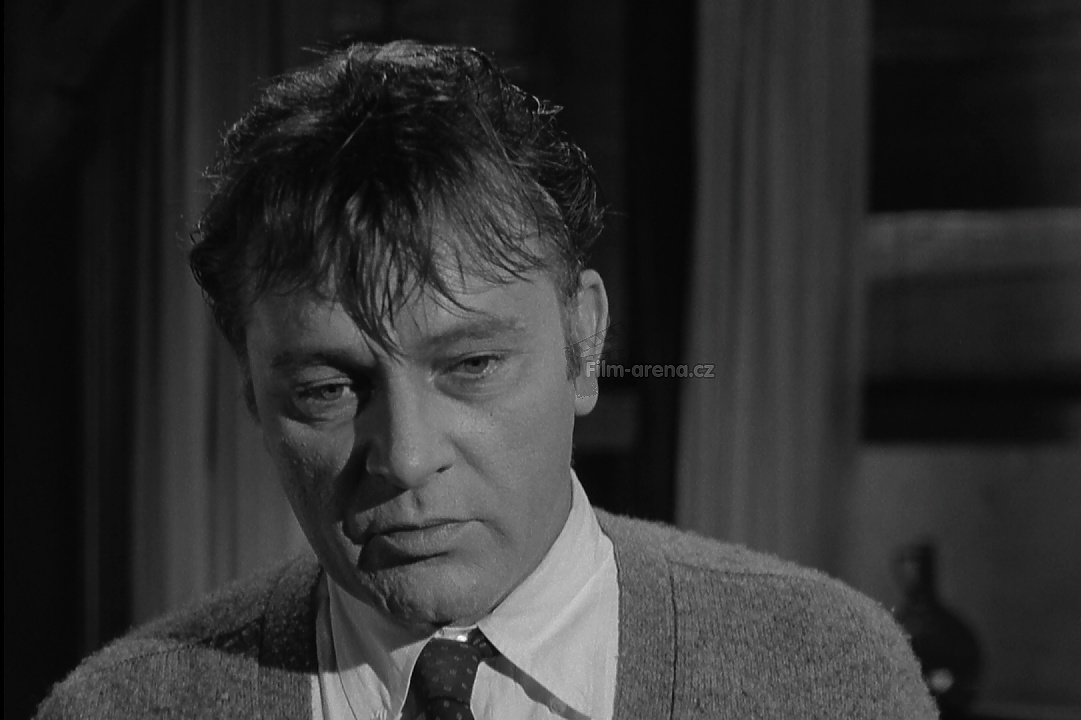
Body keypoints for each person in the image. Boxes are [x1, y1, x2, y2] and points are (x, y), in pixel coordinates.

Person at [38, 41, 936, 719]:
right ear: (252, 396)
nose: (406, 458)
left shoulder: (824, 677)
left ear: (584, 342)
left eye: (470, 366)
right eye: (327, 390)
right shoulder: (125, 708)